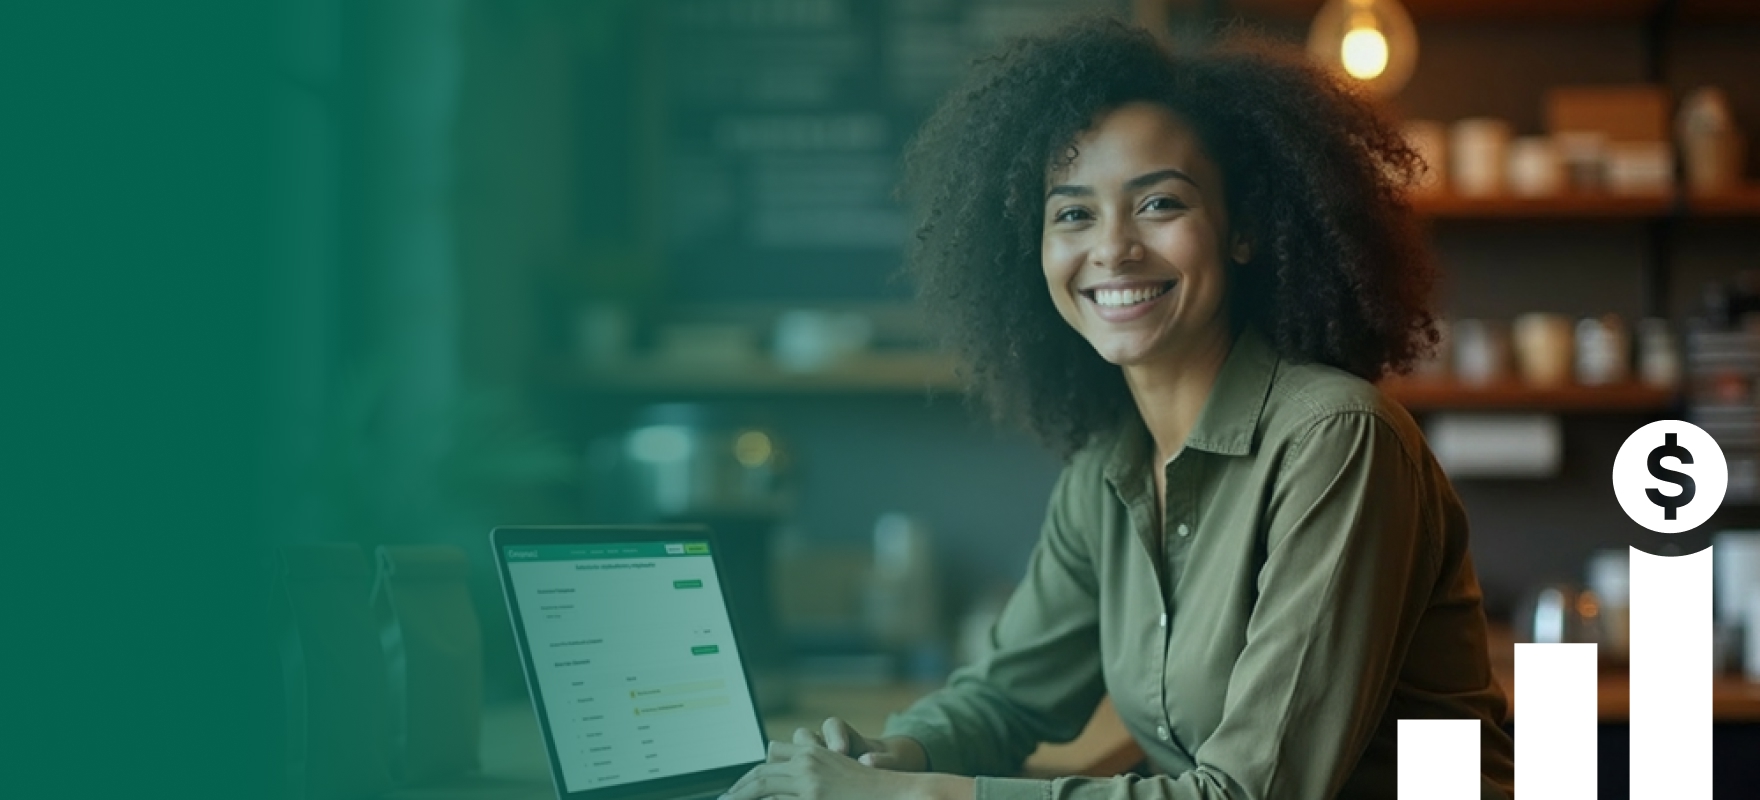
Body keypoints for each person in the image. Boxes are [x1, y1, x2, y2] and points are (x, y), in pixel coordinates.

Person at [723, 15, 1514, 800]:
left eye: (1160, 204)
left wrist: (911, 798)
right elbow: (1004, 697)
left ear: (1243, 230)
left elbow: (1248, 795)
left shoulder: (1337, 439)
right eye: (1072, 213)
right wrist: (888, 755)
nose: (1112, 249)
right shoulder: (1107, 470)